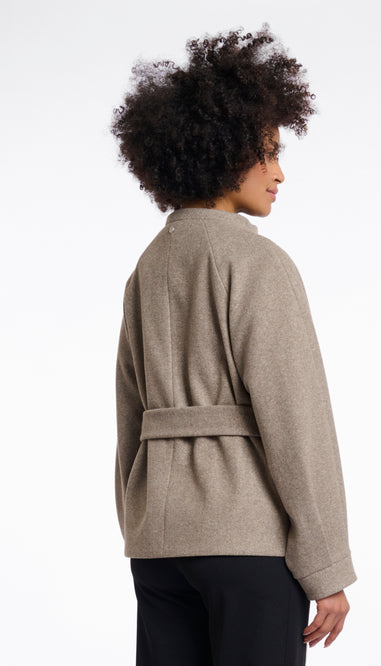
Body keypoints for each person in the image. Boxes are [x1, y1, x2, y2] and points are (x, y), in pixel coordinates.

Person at [110, 23, 357, 666]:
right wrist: (327, 565)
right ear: (221, 152)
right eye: (267, 153)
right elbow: (297, 419)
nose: (280, 173)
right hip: (246, 543)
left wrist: (138, 523)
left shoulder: (148, 268)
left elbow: (129, 416)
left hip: (158, 549)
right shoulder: (257, 263)